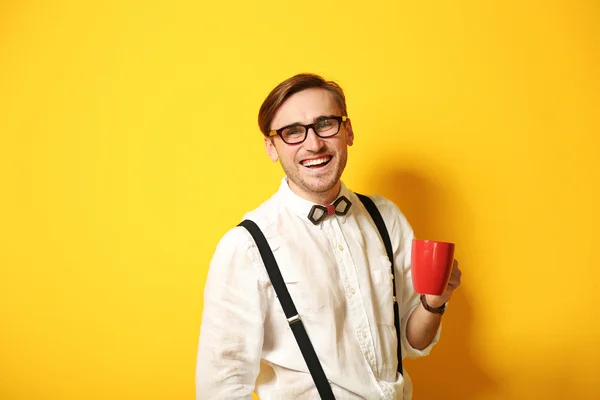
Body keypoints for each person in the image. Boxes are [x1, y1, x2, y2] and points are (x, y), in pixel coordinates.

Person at [195, 73, 462, 399]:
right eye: (293, 132)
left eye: (325, 124)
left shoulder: (385, 217)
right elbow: (221, 386)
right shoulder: (246, 246)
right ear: (271, 147)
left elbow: (412, 342)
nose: (313, 143)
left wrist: (434, 303)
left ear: (347, 131)